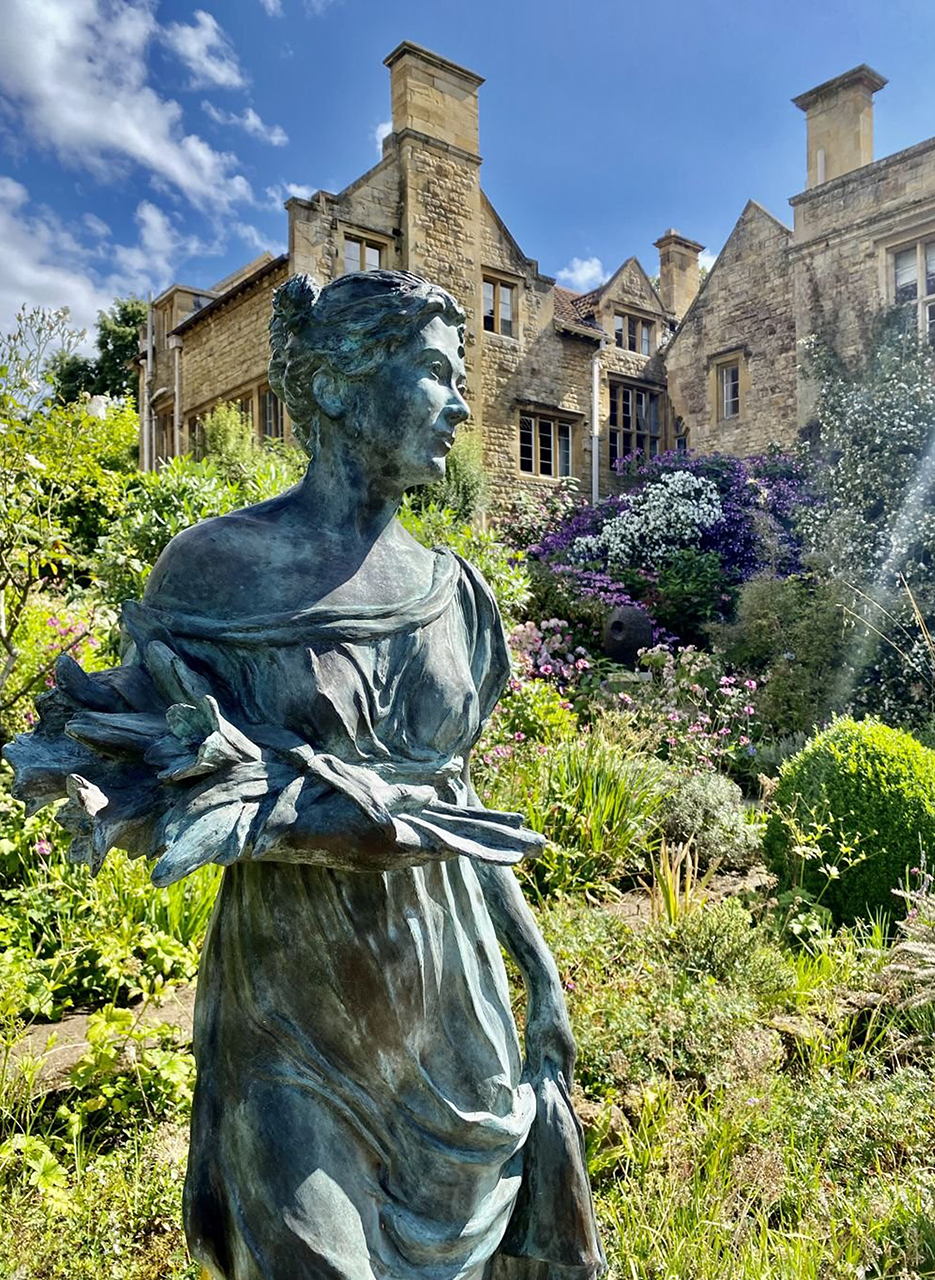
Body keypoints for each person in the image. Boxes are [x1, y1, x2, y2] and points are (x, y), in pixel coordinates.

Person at [4, 270, 603, 1279]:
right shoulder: (213, 570)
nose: (460, 402)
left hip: (450, 1008)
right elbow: (147, 774)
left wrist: (539, 977)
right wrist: (322, 817)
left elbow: (456, 809)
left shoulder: (455, 596)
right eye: (432, 372)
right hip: (291, 1014)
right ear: (333, 384)